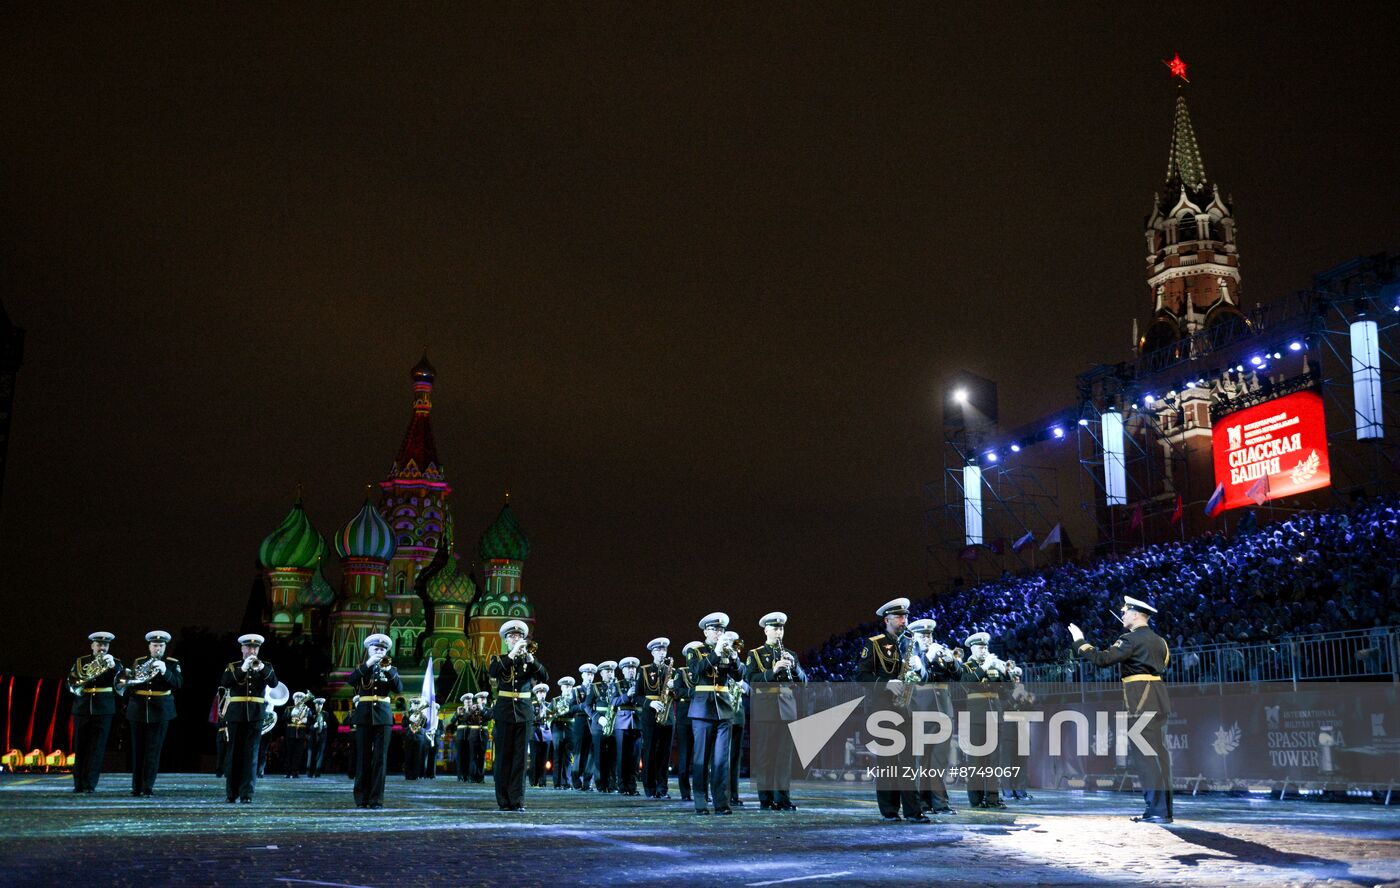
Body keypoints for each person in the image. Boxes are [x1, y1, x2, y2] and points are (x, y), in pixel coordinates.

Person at [1070, 595, 1174, 824]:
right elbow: (1163, 664)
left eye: (1125, 612)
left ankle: (1156, 811)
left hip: (1140, 702)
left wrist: (1080, 642)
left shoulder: (1130, 639)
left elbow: (1102, 659)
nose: (1123, 615)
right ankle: (1164, 810)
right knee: (1161, 758)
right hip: (1159, 700)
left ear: (1136, 615)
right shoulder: (1161, 641)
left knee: (1146, 759)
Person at [855, 598, 932, 822]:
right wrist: (885, 683)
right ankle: (889, 810)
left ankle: (913, 811)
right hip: (884, 708)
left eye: (905, 616)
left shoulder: (912, 643)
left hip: (908, 708)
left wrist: (921, 668)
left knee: (910, 762)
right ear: (887, 620)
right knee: (887, 762)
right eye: (899, 617)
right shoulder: (874, 643)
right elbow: (861, 675)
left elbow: (924, 679)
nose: (903, 620)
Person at [745, 612, 806, 812]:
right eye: (775, 628)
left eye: (781, 628)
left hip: (787, 709)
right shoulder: (755, 654)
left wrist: (794, 667)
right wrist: (773, 671)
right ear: (766, 630)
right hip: (765, 709)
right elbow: (751, 680)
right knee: (765, 756)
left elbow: (804, 682)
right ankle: (766, 799)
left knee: (784, 758)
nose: (779, 632)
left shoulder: (791, 653)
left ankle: (783, 799)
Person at [487, 619, 548, 811]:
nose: (516, 639)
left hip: (524, 712)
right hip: (505, 711)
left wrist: (531, 660)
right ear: (506, 641)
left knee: (520, 759)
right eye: (512, 637)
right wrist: (512, 654)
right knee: (504, 757)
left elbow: (544, 677)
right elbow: (494, 672)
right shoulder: (499, 659)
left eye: (519, 636)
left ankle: (518, 800)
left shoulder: (528, 662)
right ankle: (504, 800)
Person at [689, 612, 741, 815]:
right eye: (715, 629)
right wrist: (716, 653)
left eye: (721, 629)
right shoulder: (695, 651)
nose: (719, 633)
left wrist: (735, 659)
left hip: (724, 709)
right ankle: (700, 801)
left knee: (721, 760)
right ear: (705, 631)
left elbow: (738, 676)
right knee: (701, 758)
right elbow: (697, 672)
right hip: (702, 709)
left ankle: (721, 802)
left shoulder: (728, 649)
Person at [219, 633, 277, 804]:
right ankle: (231, 793)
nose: (252, 650)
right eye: (249, 647)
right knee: (233, 754)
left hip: (256, 715)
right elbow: (225, 683)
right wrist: (243, 669)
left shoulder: (266, 666)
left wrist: (262, 669)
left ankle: (247, 794)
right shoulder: (233, 666)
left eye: (255, 648)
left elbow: (274, 683)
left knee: (251, 755)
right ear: (242, 648)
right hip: (236, 714)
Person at [907, 618, 957, 815]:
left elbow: (958, 675)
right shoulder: (911, 654)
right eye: (922, 635)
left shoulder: (940, 652)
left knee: (939, 760)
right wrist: (928, 656)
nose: (927, 638)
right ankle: (921, 803)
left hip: (944, 711)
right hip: (921, 711)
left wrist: (952, 662)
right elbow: (916, 677)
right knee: (921, 761)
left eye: (929, 635)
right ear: (915, 637)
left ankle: (940, 803)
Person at [123, 629, 182, 797]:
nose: (158, 649)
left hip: (161, 710)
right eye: (155, 645)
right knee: (137, 750)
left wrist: (165, 671)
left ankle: (147, 786)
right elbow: (131, 684)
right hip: (138, 709)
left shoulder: (171, 663)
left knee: (153, 751)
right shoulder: (139, 661)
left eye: (161, 646)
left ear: (165, 648)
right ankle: (136, 787)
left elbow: (178, 684)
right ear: (149, 646)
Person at [348, 633, 402, 809]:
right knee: (363, 757)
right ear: (369, 650)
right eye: (376, 649)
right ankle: (361, 798)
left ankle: (376, 799)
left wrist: (389, 672)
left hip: (384, 717)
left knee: (380, 759)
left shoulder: (390, 669)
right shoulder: (362, 668)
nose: (379, 652)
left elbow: (399, 689)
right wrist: (369, 664)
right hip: (363, 715)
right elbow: (351, 681)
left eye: (382, 649)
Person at [67, 631, 124, 793]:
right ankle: (78, 784)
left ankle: (90, 784)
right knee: (81, 746)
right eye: (99, 644)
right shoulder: (81, 661)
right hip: (82, 708)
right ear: (92, 645)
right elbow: (70, 682)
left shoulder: (116, 663)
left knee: (97, 748)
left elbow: (121, 683)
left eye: (105, 645)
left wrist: (113, 667)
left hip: (103, 708)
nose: (102, 648)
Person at [961, 631, 1010, 809]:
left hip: (994, 716)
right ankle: (976, 799)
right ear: (972, 648)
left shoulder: (993, 666)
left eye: (986, 647)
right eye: (981, 647)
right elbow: (967, 683)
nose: (984, 650)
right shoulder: (967, 666)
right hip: (976, 717)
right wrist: (984, 667)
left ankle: (992, 798)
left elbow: (1006, 692)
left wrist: (1005, 673)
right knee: (976, 760)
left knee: (994, 761)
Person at [638, 639, 675, 799]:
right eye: (658, 650)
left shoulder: (671, 671)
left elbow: (677, 695)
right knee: (650, 751)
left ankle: (662, 788)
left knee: (665, 753)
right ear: (652, 652)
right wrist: (650, 703)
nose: (662, 653)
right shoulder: (644, 671)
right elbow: (637, 696)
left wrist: (675, 688)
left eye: (664, 650)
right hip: (650, 715)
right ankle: (649, 788)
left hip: (667, 715)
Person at [612, 657, 644, 796]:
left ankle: (632, 786)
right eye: (628, 668)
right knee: (622, 756)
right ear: (623, 671)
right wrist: (626, 696)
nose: (631, 670)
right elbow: (613, 701)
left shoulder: (640, 684)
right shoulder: (617, 684)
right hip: (622, 723)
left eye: (633, 668)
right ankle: (622, 786)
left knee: (635, 757)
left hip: (637, 722)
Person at [722, 632, 748, 806]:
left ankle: (734, 795)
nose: (734, 646)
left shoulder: (740, 665)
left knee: (735, 758)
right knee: (721, 757)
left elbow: (750, 689)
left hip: (738, 715)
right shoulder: (719, 662)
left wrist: (744, 686)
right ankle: (721, 794)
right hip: (723, 714)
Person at [587, 660, 619, 792]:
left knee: (614, 755)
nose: (610, 674)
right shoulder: (595, 687)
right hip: (599, 723)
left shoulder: (617, 686)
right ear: (601, 673)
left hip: (614, 723)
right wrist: (597, 718)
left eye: (612, 671)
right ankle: (601, 784)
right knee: (599, 755)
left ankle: (613, 784)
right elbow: (586, 706)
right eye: (608, 671)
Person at [571, 664, 598, 790]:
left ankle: (587, 782)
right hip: (580, 723)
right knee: (579, 754)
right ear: (582, 675)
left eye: (592, 674)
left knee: (591, 754)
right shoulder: (576, 690)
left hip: (592, 723)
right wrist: (582, 706)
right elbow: (571, 708)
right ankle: (576, 781)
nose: (590, 677)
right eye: (588, 674)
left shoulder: (596, 689)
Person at [550, 676, 577, 788]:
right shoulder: (555, 700)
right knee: (557, 757)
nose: (568, 688)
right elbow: (549, 715)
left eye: (570, 686)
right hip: (558, 729)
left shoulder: (574, 700)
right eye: (566, 686)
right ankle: (557, 782)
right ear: (561, 688)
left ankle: (566, 782)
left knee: (568, 758)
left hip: (570, 729)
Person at [530, 682, 553, 787]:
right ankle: (534, 781)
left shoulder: (549, 705)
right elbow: (530, 719)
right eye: (540, 692)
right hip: (535, 733)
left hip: (546, 733)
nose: (542, 695)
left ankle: (542, 781)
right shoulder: (531, 705)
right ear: (536, 694)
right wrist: (540, 715)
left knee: (544, 759)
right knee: (535, 758)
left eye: (544, 692)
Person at [284, 691, 311, 778]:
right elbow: (284, 718)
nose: (298, 700)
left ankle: (295, 772)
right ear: (294, 699)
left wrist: (306, 720)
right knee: (289, 753)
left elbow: (310, 720)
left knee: (298, 754)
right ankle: (288, 771)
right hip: (290, 733)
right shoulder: (289, 708)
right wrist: (291, 716)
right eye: (297, 698)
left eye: (300, 698)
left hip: (301, 734)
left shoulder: (306, 709)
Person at [450, 694, 473, 781]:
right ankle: (460, 776)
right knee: (460, 756)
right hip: (460, 736)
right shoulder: (459, 710)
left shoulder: (473, 710)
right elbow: (452, 722)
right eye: (466, 701)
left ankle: (468, 775)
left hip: (470, 735)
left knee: (469, 756)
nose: (468, 703)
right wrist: (457, 715)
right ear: (463, 702)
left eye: (470, 701)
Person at [469, 691, 490, 783]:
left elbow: (488, 717)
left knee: (482, 756)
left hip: (483, 734)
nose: (483, 700)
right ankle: (473, 777)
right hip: (474, 734)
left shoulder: (487, 709)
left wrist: (481, 708)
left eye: (484, 699)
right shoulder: (472, 709)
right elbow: (465, 719)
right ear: (477, 700)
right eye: (481, 699)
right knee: (473, 756)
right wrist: (470, 710)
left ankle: (481, 777)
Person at [307, 697, 329, 778]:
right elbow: (307, 725)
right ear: (315, 705)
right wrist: (313, 726)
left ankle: (317, 771)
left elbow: (330, 724)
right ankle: (310, 772)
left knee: (320, 754)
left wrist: (326, 725)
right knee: (311, 754)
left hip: (322, 736)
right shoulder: (311, 712)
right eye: (318, 704)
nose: (320, 706)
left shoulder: (325, 713)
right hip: (313, 736)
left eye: (321, 704)